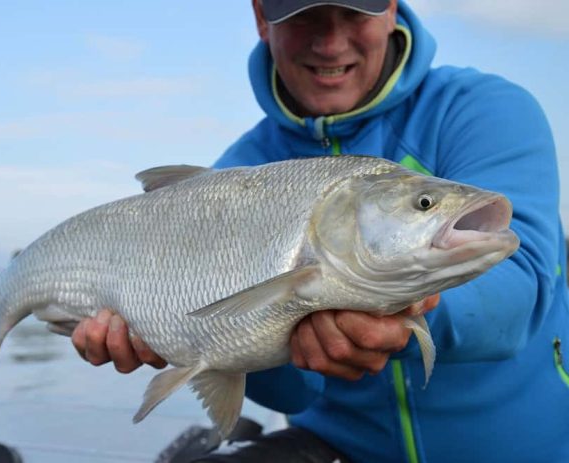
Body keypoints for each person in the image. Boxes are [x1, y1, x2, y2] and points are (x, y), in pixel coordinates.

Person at [72, 1, 569, 462]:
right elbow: (288, 391)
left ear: (392, 8)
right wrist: (175, 335)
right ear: (262, 18)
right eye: (305, 16)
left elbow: (520, 288)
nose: (331, 44)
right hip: (341, 446)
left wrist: (391, 313)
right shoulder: (233, 175)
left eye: (353, 12)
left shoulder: (482, 108)